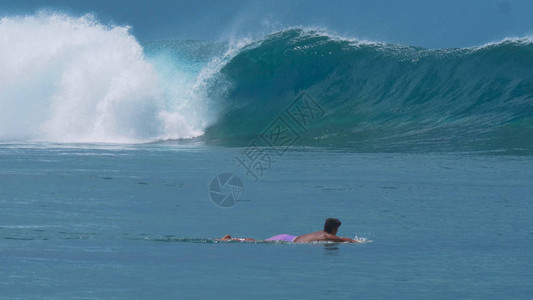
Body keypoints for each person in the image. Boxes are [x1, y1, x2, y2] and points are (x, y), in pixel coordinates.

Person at [219, 218, 361, 243]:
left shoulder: (322, 233)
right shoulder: (327, 236)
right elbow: (343, 240)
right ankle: (230, 239)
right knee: (259, 242)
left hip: (287, 236)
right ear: (335, 229)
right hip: (286, 240)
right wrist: (358, 242)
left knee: (260, 241)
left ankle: (231, 239)